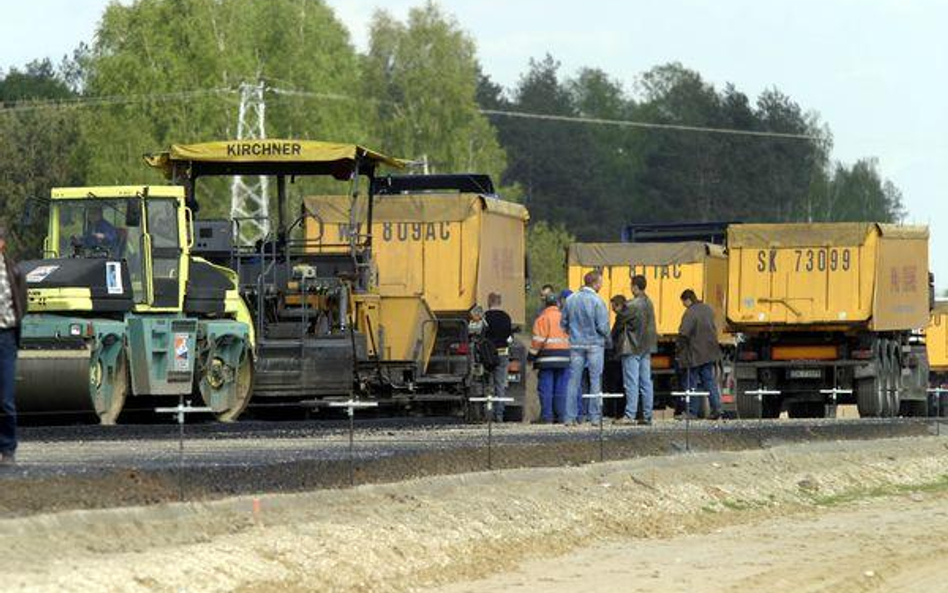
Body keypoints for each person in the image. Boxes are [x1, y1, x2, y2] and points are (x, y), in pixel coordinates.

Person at [561, 271, 610, 425]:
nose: (601, 285)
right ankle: (594, 417)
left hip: (576, 344)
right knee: (595, 380)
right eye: (601, 282)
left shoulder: (570, 299)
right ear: (595, 283)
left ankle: (569, 417)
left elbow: (563, 323)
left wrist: (573, 333)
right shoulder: (598, 301)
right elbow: (603, 327)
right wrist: (606, 337)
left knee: (573, 381)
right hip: (595, 345)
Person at [612, 275, 658, 425]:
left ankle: (630, 415)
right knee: (646, 382)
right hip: (646, 347)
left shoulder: (632, 305)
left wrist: (612, 337)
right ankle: (647, 415)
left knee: (631, 382)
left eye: (632, 286)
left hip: (632, 347)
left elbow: (619, 323)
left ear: (635, 287)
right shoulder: (649, 303)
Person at [0, 224, 27, 465]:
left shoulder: (14, 272)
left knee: (5, 398)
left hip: (6, 336)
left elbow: (21, 303)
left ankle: (8, 449)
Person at [678, 289, 723, 419]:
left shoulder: (690, 313)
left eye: (683, 302)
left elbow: (684, 333)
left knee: (692, 382)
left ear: (688, 300)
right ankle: (717, 408)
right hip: (710, 352)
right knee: (709, 380)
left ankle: (692, 412)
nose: (683, 305)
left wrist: (679, 349)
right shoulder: (708, 309)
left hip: (696, 353)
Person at [529, 293, 570, 423]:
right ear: (558, 304)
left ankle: (547, 417)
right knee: (561, 388)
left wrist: (531, 355)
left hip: (546, 358)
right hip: (564, 357)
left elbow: (538, 340)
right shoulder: (565, 317)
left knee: (546, 388)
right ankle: (561, 416)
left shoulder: (542, 318)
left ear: (545, 304)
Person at [483, 292, 513, 422]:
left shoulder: (485, 317)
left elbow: (481, 335)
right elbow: (509, 337)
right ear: (499, 302)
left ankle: (486, 414)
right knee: (500, 385)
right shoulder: (506, 317)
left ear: (489, 302)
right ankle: (499, 415)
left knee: (486, 384)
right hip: (502, 353)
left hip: (487, 355)